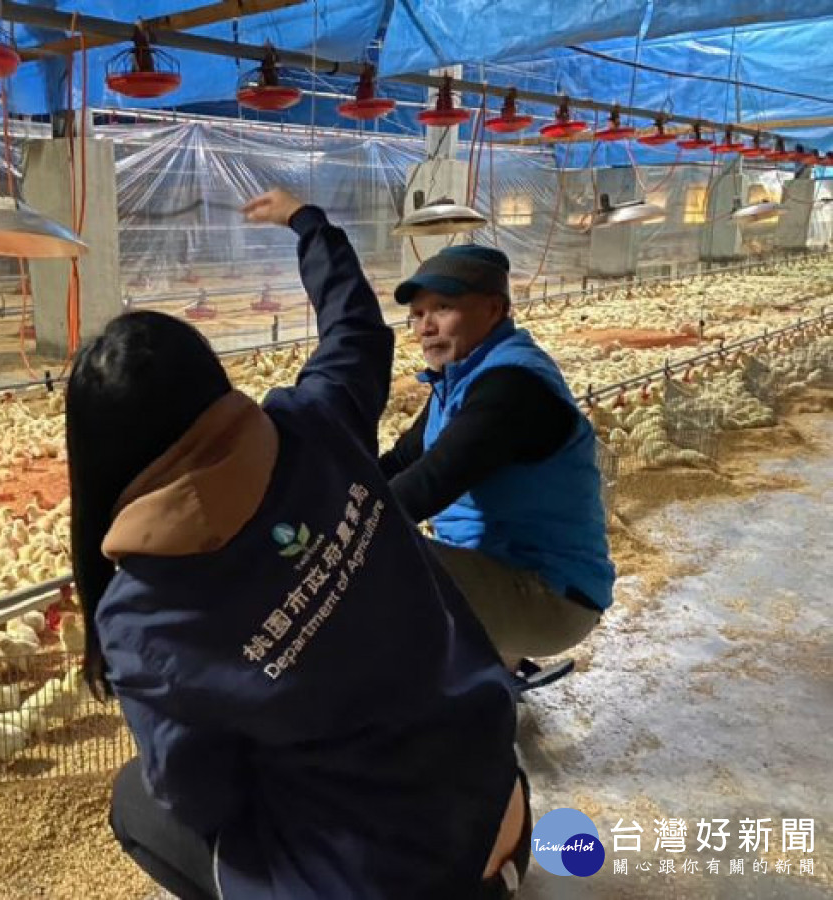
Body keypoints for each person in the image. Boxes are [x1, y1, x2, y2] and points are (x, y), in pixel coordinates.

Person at [66, 189, 530, 900]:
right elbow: (355, 328)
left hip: (385, 878)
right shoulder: (318, 422)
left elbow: (201, 798)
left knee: (138, 799)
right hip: (494, 787)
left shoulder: (141, 615)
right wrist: (309, 224)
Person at [380, 244, 616, 673]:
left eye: (443, 307)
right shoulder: (458, 381)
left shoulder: (512, 386)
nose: (424, 327)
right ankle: (482, 665)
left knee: (378, 566)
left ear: (494, 309)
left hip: (549, 595)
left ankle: (463, 685)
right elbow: (398, 462)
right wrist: (335, 487)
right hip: (500, 572)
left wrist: (333, 533)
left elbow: (427, 485)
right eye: (416, 314)